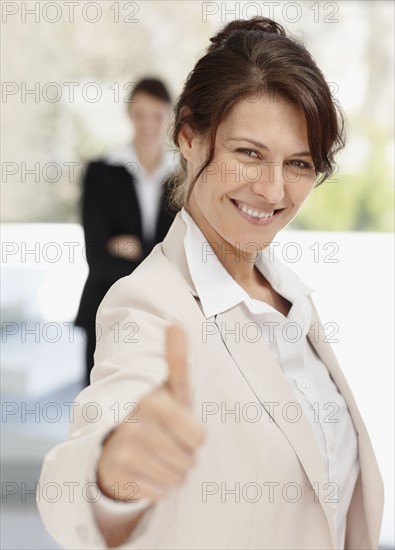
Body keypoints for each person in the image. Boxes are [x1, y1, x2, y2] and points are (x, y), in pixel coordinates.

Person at [38, 17, 384, 550]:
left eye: (298, 163)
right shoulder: (149, 305)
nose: (272, 190)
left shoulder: (290, 295)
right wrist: (113, 474)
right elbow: (73, 490)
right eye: (249, 153)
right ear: (189, 138)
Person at [74, 78, 177, 387]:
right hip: (107, 308)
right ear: (129, 115)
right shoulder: (101, 172)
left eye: (157, 115)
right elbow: (97, 257)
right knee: (100, 412)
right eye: (140, 114)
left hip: (161, 315)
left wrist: (130, 248)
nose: (148, 125)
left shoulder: (181, 178)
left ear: (169, 117)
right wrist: (155, 258)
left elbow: (182, 255)